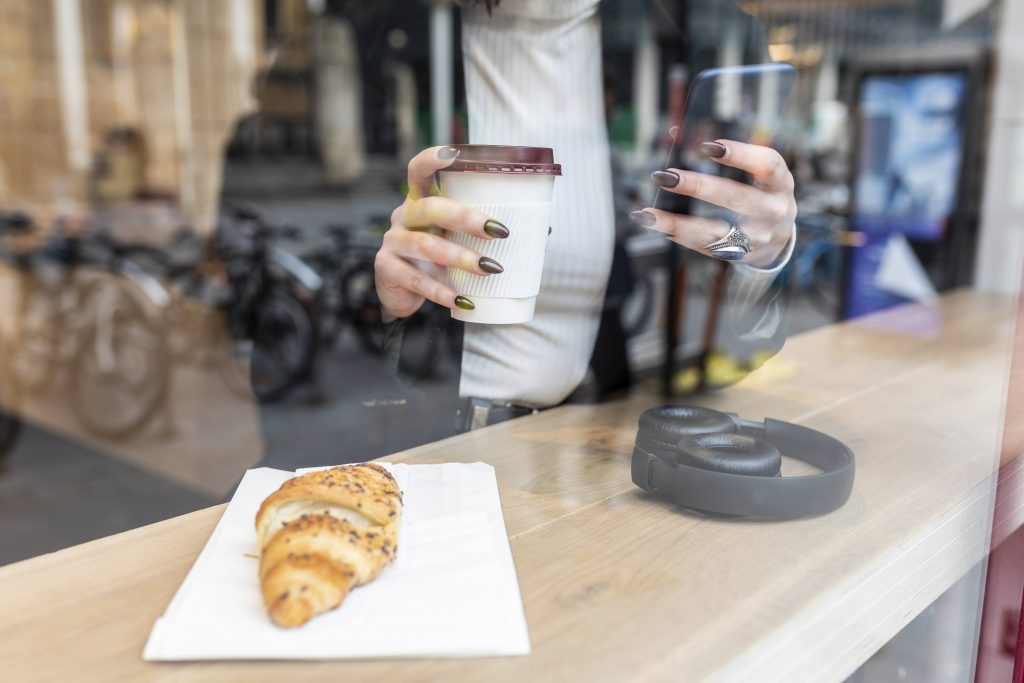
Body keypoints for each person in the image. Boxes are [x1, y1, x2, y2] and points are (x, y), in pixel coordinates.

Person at [376, 0, 797, 432]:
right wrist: (395, 309)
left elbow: (756, 343)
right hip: (486, 433)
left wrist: (757, 255)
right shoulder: (418, 27)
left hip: (624, 423)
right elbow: (384, 398)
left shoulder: (702, 24)